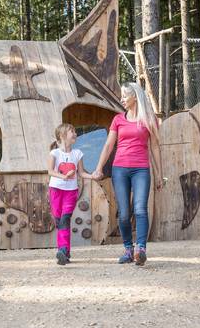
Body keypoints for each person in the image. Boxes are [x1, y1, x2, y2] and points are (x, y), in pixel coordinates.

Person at [92, 82, 163, 266]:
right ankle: (128, 250)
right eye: (122, 96)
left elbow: (155, 147)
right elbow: (109, 145)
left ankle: (141, 249)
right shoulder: (118, 120)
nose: (122, 99)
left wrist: (160, 174)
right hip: (120, 169)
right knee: (124, 214)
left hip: (141, 169)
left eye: (125, 96)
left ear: (135, 97)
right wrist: (99, 167)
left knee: (140, 209)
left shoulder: (149, 119)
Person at [47, 123, 93, 265]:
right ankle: (64, 252)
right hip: (55, 190)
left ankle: (63, 250)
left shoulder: (77, 153)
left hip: (71, 192)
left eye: (74, 130)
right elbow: (50, 171)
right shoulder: (54, 153)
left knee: (65, 219)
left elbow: (82, 172)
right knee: (59, 221)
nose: (75, 133)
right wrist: (63, 177)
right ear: (62, 136)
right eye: (71, 131)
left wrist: (93, 176)